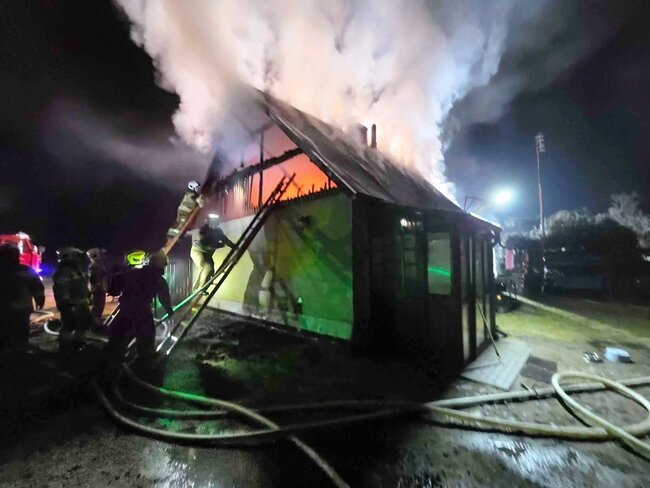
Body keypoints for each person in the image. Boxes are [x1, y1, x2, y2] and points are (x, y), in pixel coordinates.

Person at [104, 250, 174, 369]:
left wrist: (113, 290)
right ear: (161, 264)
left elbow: (118, 283)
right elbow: (164, 297)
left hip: (125, 308)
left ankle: (110, 359)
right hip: (142, 310)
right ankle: (144, 362)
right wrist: (169, 310)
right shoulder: (158, 279)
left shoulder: (133, 273)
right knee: (146, 335)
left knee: (119, 334)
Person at [0, 244, 45, 353]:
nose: (12, 257)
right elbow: (37, 286)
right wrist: (39, 298)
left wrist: (40, 298)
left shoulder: (26, 270)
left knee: (19, 329)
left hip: (17, 308)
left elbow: (37, 287)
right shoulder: (26, 270)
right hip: (17, 308)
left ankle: (18, 348)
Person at [53, 247, 93, 353]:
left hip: (81, 302)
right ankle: (64, 346)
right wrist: (66, 303)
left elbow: (82, 284)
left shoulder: (77, 269)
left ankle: (78, 343)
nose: (78, 258)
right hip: (71, 304)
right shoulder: (63, 271)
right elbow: (61, 288)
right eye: (76, 256)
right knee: (69, 325)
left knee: (84, 323)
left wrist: (88, 295)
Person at [190, 214, 235, 292]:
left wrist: (234, 247)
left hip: (207, 254)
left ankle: (197, 287)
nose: (213, 225)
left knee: (210, 271)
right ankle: (201, 289)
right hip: (197, 251)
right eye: (212, 223)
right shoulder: (204, 230)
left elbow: (225, 240)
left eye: (215, 223)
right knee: (207, 267)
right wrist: (220, 245)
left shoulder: (218, 231)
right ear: (208, 223)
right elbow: (206, 243)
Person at [87, 248, 110, 323]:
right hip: (98, 290)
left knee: (99, 306)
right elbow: (95, 280)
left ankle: (94, 321)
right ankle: (93, 322)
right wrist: (99, 287)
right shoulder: (95, 266)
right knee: (98, 306)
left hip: (99, 289)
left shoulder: (97, 265)